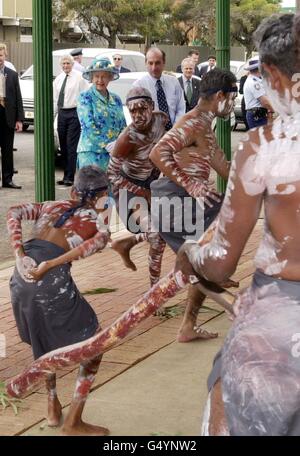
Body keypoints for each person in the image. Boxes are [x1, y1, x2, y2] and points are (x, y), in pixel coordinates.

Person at [175, 13, 300, 436]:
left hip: (282, 323)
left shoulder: (266, 146)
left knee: (230, 392)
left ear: (269, 74)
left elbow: (221, 263)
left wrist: (190, 254)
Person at [7, 165, 111, 435]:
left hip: (20, 278)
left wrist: (19, 254)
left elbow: (13, 212)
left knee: (43, 339)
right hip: (48, 283)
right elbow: (90, 246)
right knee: (95, 346)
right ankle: (74, 422)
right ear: (102, 196)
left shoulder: (51, 205)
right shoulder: (96, 222)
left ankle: (52, 405)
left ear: (74, 190)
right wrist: (50, 264)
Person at [150, 68, 239, 342]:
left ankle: (188, 325)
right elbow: (158, 152)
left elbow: (225, 168)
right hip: (173, 200)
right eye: (232, 98)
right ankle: (233, 304)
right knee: (206, 257)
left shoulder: (206, 127)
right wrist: (190, 184)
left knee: (228, 212)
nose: (234, 104)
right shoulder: (193, 122)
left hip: (183, 202)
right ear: (220, 95)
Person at [107, 87, 168, 286]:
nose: (138, 116)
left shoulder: (162, 120)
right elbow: (112, 174)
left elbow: (165, 149)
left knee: (168, 230)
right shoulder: (127, 138)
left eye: (142, 109)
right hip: (128, 187)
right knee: (156, 236)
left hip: (151, 181)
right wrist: (143, 193)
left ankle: (127, 243)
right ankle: (154, 290)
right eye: (132, 111)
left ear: (151, 106)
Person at [77, 57, 126, 171]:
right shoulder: (85, 97)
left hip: (114, 156)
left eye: (104, 76)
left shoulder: (116, 99)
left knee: (112, 188)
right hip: (91, 154)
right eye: (96, 76)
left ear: (110, 77)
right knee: (93, 188)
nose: (100, 80)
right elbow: (88, 126)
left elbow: (123, 126)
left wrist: (119, 145)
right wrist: (108, 146)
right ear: (91, 78)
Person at [53, 54, 89, 186]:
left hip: (74, 113)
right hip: (62, 113)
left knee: (71, 145)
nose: (66, 66)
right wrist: (53, 116)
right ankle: (65, 175)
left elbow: (86, 93)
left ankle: (70, 176)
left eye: (68, 63)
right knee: (63, 145)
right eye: (63, 64)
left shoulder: (79, 77)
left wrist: (82, 112)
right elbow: (55, 99)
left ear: (72, 64)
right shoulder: (58, 79)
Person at [133, 47, 185, 131]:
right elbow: (140, 115)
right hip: (151, 136)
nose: (154, 68)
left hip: (174, 133)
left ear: (164, 63)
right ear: (145, 63)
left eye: (157, 63)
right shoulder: (139, 86)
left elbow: (181, 107)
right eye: (150, 63)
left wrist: (175, 130)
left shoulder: (174, 82)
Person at [0, 43, 23, 189]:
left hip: (7, 117)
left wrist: (19, 119)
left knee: (7, 150)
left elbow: (18, 98)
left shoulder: (13, 75)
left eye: (1, 55)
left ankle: (7, 180)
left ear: (5, 56)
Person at [243, 57, 273, 129]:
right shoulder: (254, 83)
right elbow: (265, 102)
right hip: (257, 116)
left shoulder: (256, 81)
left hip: (257, 115)